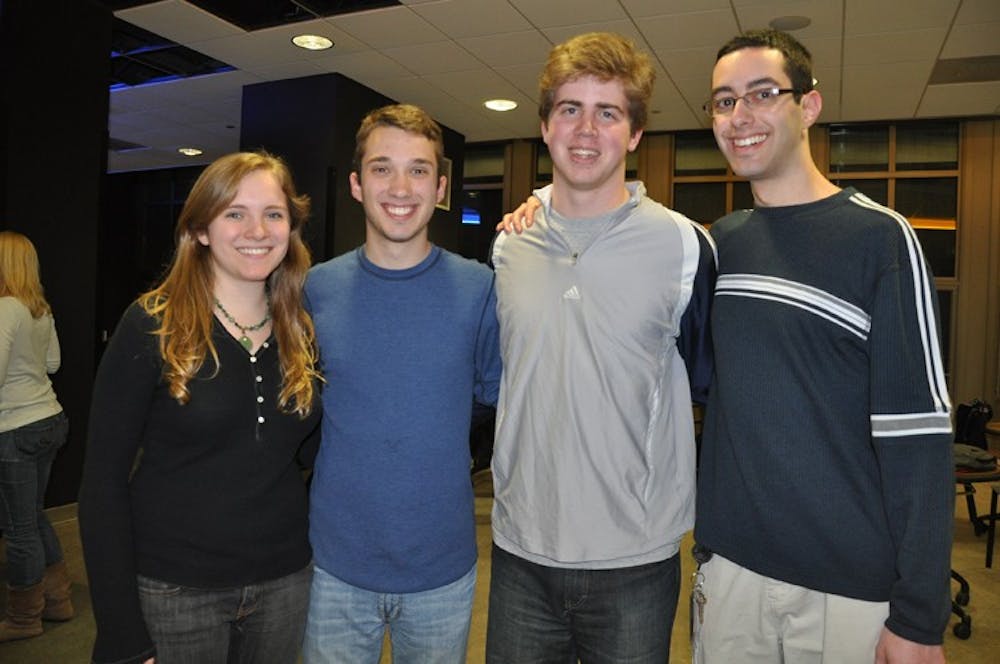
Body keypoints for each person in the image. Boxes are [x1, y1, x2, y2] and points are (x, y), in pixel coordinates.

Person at [692, 29, 953, 663]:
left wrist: (920, 616)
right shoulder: (719, 246)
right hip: (732, 573)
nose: (739, 116)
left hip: (847, 592)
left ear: (808, 107)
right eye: (724, 101)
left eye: (761, 94)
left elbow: (917, 434)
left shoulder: (880, 240)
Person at [486, 32, 716, 663]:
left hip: (635, 561)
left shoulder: (685, 247)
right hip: (519, 551)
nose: (586, 129)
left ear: (635, 133)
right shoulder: (508, 246)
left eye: (607, 112)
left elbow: (709, 390)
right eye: (569, 109)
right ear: (544, 124)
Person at [78, 151, 322, 664]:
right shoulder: (151, 325)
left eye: (273, 214)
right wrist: (120, 630)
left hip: (285, 586)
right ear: (202, 230)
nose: (256, 229)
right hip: (175, 593)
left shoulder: (302, 329)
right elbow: (101, 485)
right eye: (235, 213)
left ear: (291, 228)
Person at [302, 104, 501, 664]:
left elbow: (491, 395)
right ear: (357, 184)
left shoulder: (478, 289)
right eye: (382, 168)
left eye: (418, 170)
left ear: (440, 188)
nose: (400, 186)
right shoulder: (317, 289)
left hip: (440, 564)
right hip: (335, 566)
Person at [0, 231, 73, 642]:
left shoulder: (5, 309)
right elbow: (53, 362)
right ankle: (58, 600)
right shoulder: (38, 309)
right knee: (33, 514)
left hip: (14, 429)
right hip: (48, 420)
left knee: (18, 528)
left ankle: (24, 618)